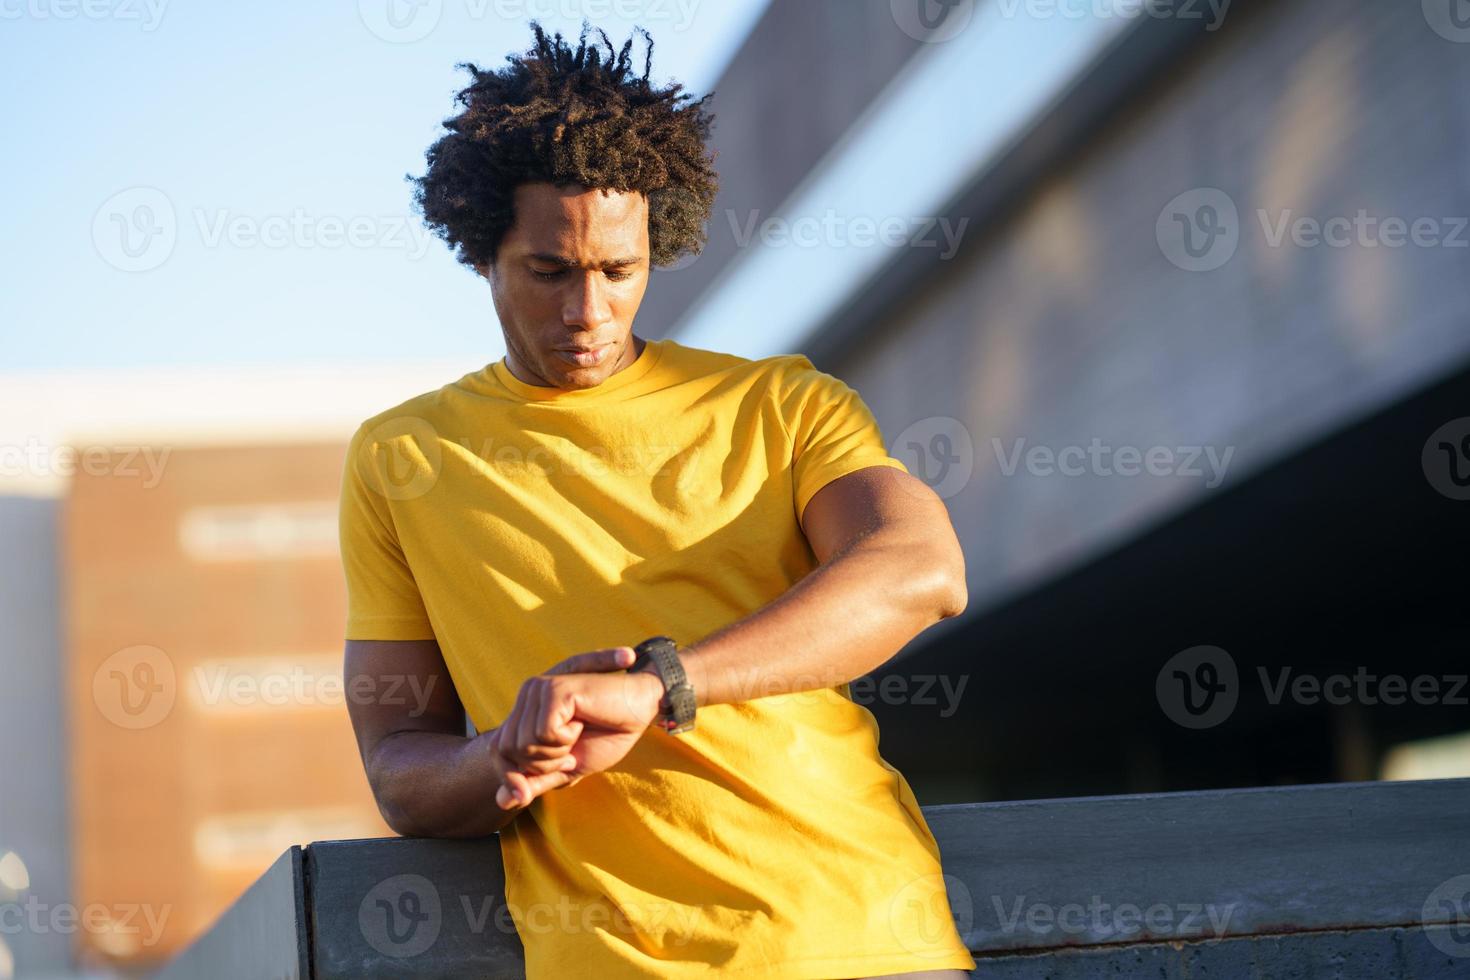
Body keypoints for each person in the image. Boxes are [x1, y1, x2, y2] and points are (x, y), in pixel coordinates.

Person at [340, 22, 976, 979]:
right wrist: (503, 761)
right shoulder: (401, 457)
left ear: (655, 249)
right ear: (483, 253)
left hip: (855, 933)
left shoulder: (781, 403)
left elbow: (920, 571)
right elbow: (399, 768)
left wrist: (660, 685)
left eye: (618, 272)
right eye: (548, 272)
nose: (586, 312)